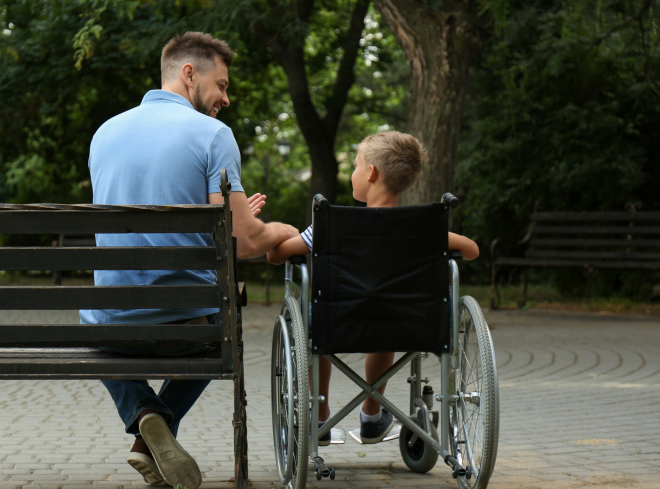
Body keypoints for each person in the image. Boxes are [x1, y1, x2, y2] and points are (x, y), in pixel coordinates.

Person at [80, 31, 298, 488]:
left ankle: (143, 417)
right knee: (227, 321)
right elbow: (245, 243)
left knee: (97, 319)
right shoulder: (213, 135)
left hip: (113, 331)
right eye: (221, 85)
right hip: (184, 331)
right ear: (188, 73)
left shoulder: (105, 133)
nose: (226, 98)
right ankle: (154, 425)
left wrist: (228, 220)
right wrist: (282, 230)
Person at [266, 131, 479, 446]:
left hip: (337, 322)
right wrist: (439, 240)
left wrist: (278, 233)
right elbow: (471, 250)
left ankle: (320, 415)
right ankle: (371, 414)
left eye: (355, 165)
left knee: (318, 322)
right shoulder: (424, 228)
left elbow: (275, 255)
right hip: (409, 322)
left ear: (371, 172)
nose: (353, 173)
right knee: (385, 315)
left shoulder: (330, 226)